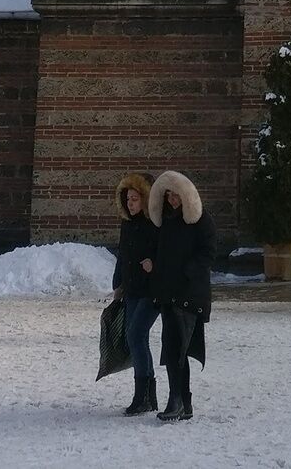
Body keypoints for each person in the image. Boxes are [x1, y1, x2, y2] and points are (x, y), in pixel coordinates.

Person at [148, 170, 212, 424]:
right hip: (169, 294)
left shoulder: (201, 220)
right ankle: (182, 402)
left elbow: (208, 253)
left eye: (177, 195)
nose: (173, 200)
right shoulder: (167, 221)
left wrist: (186, 272)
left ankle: (178, 400)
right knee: (173, 349)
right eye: (169, 195)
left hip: (189, 295)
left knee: (178, 349)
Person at [112, 172, 159, 415]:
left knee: (135, 335)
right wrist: (117, 282)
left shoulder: (155, 225)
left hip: (152, 290)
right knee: (138, 339)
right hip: (132, 288)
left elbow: (167, 254)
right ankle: (148, 395)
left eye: (134, 199)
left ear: (145, 200)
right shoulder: (127, 224)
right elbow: (122, 254)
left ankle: (142, 395)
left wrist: (155, 264)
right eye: (128, 199)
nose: (130, 204)